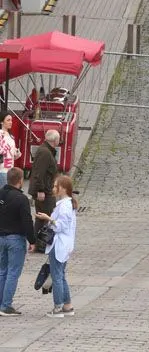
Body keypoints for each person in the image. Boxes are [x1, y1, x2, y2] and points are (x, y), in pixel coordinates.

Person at [35, 174, 76, 318]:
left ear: (63, 188)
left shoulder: (65, 205)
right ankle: (67, 305)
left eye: (55, 185)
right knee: (60, 275)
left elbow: (60, 226)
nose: (53, 188)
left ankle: (58, 306)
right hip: (63, 244)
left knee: (57, 276)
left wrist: (48, 218)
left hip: (59, 244)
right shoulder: (66, 204)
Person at [0, 167, 36, 316]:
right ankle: (6, 305)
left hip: (1, 237)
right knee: (13, 273)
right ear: (20, 181)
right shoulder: (21, 199)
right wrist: (32, 240)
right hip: (15, 239)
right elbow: (27, 221)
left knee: (2, 271)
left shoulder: (1, 194)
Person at [29, 129, 59, 246]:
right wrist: (40, 190)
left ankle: (38, 243)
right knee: (46, 217)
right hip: (44, 191)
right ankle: (41, 243)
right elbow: (39, 173)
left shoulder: (46, 151)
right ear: (55, 140)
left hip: (45, 189)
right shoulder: (45, 152)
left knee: (42, 217)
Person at [0, 112, 19, 187]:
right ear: (1, 122)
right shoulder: (0, 134)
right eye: (8, 120)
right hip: (2, 169)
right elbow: (2, 151)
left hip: (10, 169)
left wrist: (16, 152)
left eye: (11, 120)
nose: (11, 122)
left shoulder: (11, 136)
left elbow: (12, 154)